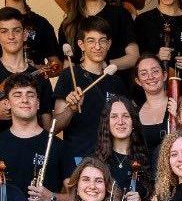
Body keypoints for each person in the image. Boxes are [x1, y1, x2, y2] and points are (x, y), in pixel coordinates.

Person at [0, 9, 57, 128]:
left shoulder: (41, 77)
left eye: (16, 31)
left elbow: (48, 127)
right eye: (4, 31)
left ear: (25, 34)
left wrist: (70, 109)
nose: (11, 36)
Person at [53, 16, 131, 152]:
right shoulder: (68, 76)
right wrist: (70, 109)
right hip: (77, 156)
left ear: (109, 44)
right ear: (81, 44)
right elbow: (54, 127)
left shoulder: (116, 81)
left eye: (102, 41)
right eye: (91, 41)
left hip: (109, 157)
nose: (97, 46)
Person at [58, 0, 139, 70]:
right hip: (83, 86)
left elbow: (133, 57)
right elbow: (68, 64)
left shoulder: (121, 14)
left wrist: (104, 65)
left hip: (116, 84)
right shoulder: (68, 23)